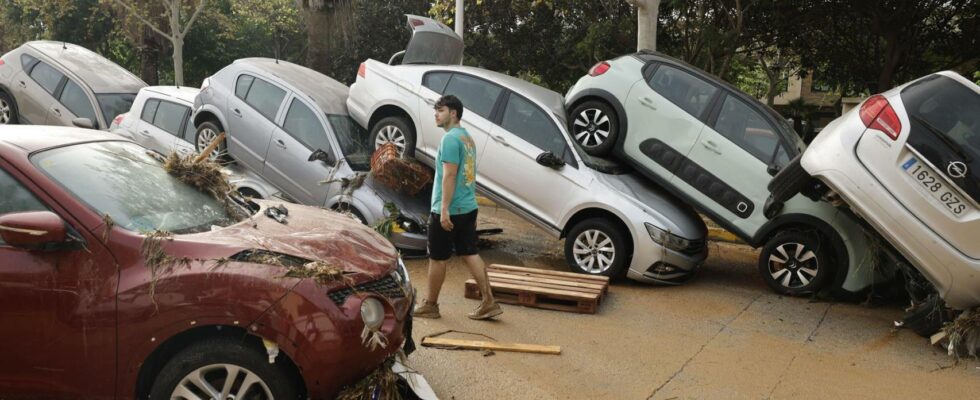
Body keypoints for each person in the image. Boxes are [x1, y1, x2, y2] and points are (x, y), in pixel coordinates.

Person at [412, 95, 502, 320]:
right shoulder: (467, 138)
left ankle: (430, 305)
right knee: (470, 252)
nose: (436, 114)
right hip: (467, 206)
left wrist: (443, 209)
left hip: (450, 210)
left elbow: (450, 175)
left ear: (453, 113)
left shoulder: (450, 140)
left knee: (437, 258)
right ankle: (489, 301)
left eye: (440, 110)